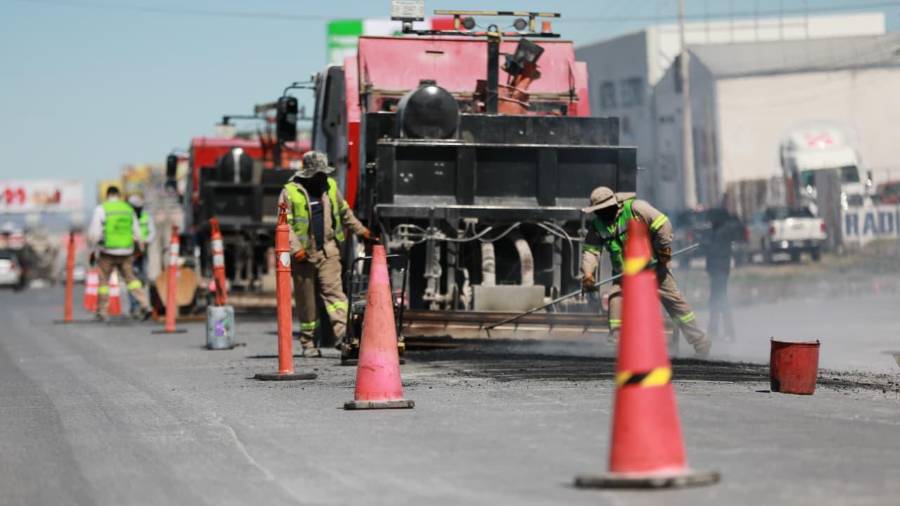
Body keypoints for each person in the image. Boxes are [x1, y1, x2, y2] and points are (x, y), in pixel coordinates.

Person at [581, 186, 712, 357]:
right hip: (625, 275)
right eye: (597, 211)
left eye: (602, 210)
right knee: (616, 298)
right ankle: (616, 343)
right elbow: (591, 252)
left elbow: (662, 224)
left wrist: (663, 250)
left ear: (612, 206)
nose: (600, 214)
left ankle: (700, 342)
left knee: (675, 304)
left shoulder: (636, 209)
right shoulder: (598, 226)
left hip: (654, 268)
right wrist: (588, 274)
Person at [278, 151, 376, 358]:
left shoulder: (330, 187)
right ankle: (308, 342)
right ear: (308, 173)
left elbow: (345, 213)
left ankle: (343, 337)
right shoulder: (290, 192)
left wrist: (363, 232)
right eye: (320, 174)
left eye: (325, 174)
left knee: (336, 296)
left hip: (328, 252)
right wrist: (296, 250)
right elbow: (283, 225)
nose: (324, 177)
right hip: (303, 256)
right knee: (307, 302)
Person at [87, 186, 152, 321]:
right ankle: (145, 304)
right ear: (119, 195)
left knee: (104, 282)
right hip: (126, 251)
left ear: (107, 195)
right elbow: (137, 231)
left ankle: (102, 312)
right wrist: (140, 247)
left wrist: (93, 249)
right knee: (132, 280)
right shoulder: (127, 209)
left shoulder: (101, 209)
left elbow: (95, 232)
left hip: (107, 251)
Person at [704, 209, 740, 341]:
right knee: (715, 300)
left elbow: (717, 251)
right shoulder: (716, 231)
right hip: (715, 270)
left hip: (720, 270)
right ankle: (714, 329)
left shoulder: (723, 232)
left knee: (720, 300)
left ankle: (728, 331)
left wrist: (707, 245)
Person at [127, 193, 156, 317]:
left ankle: (145, 305)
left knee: (143, 279)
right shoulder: (127, 217)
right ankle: (135, 307)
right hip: (131, 251)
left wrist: (145, 241)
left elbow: (152, 232)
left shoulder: (146, 216)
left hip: (143, 252)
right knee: (132, 279)